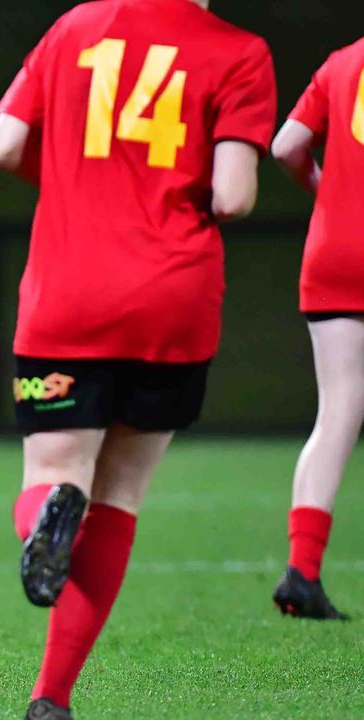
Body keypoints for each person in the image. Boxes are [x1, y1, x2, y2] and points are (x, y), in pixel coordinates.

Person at [0, 1, 275, 718]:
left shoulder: (78, 24)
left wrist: (80, 189)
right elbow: (231, 196)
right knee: (119, 496)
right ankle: (51, 698)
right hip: (171, 298)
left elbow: (0, 147)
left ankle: (45, 518)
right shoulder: (240, 52)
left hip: (67, 291)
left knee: (56, 478)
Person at [268, 37, 364, 621]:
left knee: (337, 413)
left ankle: (302, 570)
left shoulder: (341, 61)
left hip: (335, 251)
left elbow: (286, 146)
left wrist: (322, 188)